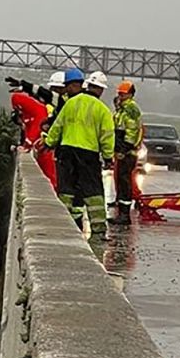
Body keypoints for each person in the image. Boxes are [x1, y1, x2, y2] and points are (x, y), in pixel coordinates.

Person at [41, 67, 115, 242]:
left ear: (87, 85)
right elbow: (107, 136)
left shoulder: (71, 103)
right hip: (88, 154)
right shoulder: (103, 110)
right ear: (101, 90)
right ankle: (97, 229)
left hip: (67, 151)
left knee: (66, 189)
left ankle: (64, 223)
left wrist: (48, 143)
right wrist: (107, 157)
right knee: (93, 192)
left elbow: (57, 126)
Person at [7, 74, 59, 191]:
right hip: (51, 144)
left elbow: (46, 96)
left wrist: (28, 144)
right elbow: (42, 94)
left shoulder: (60, 102)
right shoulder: (51, 103)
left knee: (53, 175)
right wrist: (25, 86)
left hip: (54, 145)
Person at [112, 79, 145, 222]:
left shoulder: (130, 109)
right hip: (122, 148)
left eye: (123, 94)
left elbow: (131, 131)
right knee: (120, 180)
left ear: (130, 94)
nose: (120, 96)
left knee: (125, 182)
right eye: (120, 93)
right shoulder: (122, 108)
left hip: (127, 151)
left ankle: (125, 215)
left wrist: (125, 148)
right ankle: (121, 212)